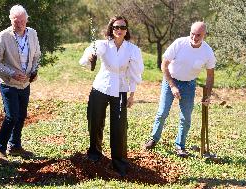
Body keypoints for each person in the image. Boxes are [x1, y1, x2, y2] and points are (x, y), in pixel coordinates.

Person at [79, 15, 144, 176]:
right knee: (95, 121)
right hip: (100, 87)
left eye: (122, 27)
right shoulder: (102, 45)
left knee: (119, 127)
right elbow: (90, 52)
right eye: (116, 27)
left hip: (121, 89)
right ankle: (94, 154)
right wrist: (90, 57)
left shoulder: (132, 50)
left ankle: (119, 162)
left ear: (126, 30)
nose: (119, 30)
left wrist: (132, 95)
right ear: (111, 29)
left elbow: (134, 73)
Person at [144, 21, 215, 157]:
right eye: (192, 34)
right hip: (171, 80)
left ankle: (180, 146)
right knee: (162, 113)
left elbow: (210, 75)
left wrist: (208, 96)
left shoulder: (207, 51)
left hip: (189, 85)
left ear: (204, 35)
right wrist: (172, 85)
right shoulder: (179, 43)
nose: (194, 38)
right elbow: (164, 65)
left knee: (186, 118)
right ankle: (153, 139)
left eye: (198, 35)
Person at [0, 5, 41, 164]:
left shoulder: (32, 33)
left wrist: (33, 71)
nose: (19, 24)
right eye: (16, 21)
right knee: (12, 116)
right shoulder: (2, 36)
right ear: (10, 20)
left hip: (25, 84)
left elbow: (37, 56)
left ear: (27, 20)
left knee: (21, 116)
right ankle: (0, 148)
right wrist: (12, 73)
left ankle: (15, 146)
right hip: (8, 83)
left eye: (22, 21)